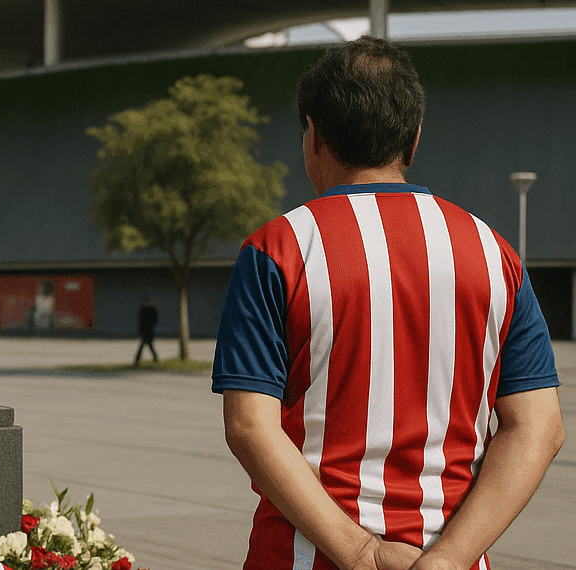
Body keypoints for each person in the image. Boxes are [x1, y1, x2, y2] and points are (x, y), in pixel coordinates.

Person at [212, 36, 565, 570]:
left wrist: (362, 552)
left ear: (314, 134)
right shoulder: (495, 253)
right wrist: (446, 560)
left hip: (302, 557)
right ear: (414, 140)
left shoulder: (277, 249)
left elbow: (249, 426)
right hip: (452, 555)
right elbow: (539, 427)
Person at [134, 298, 158, 365]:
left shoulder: (152, 310)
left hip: (149, 331)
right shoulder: (143, 310)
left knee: (148, 346)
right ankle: (137, 360)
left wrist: (151, 327)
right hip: (144, 332)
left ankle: (137, 360)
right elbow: (140, 321)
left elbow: (155, 319)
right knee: (146, 346)